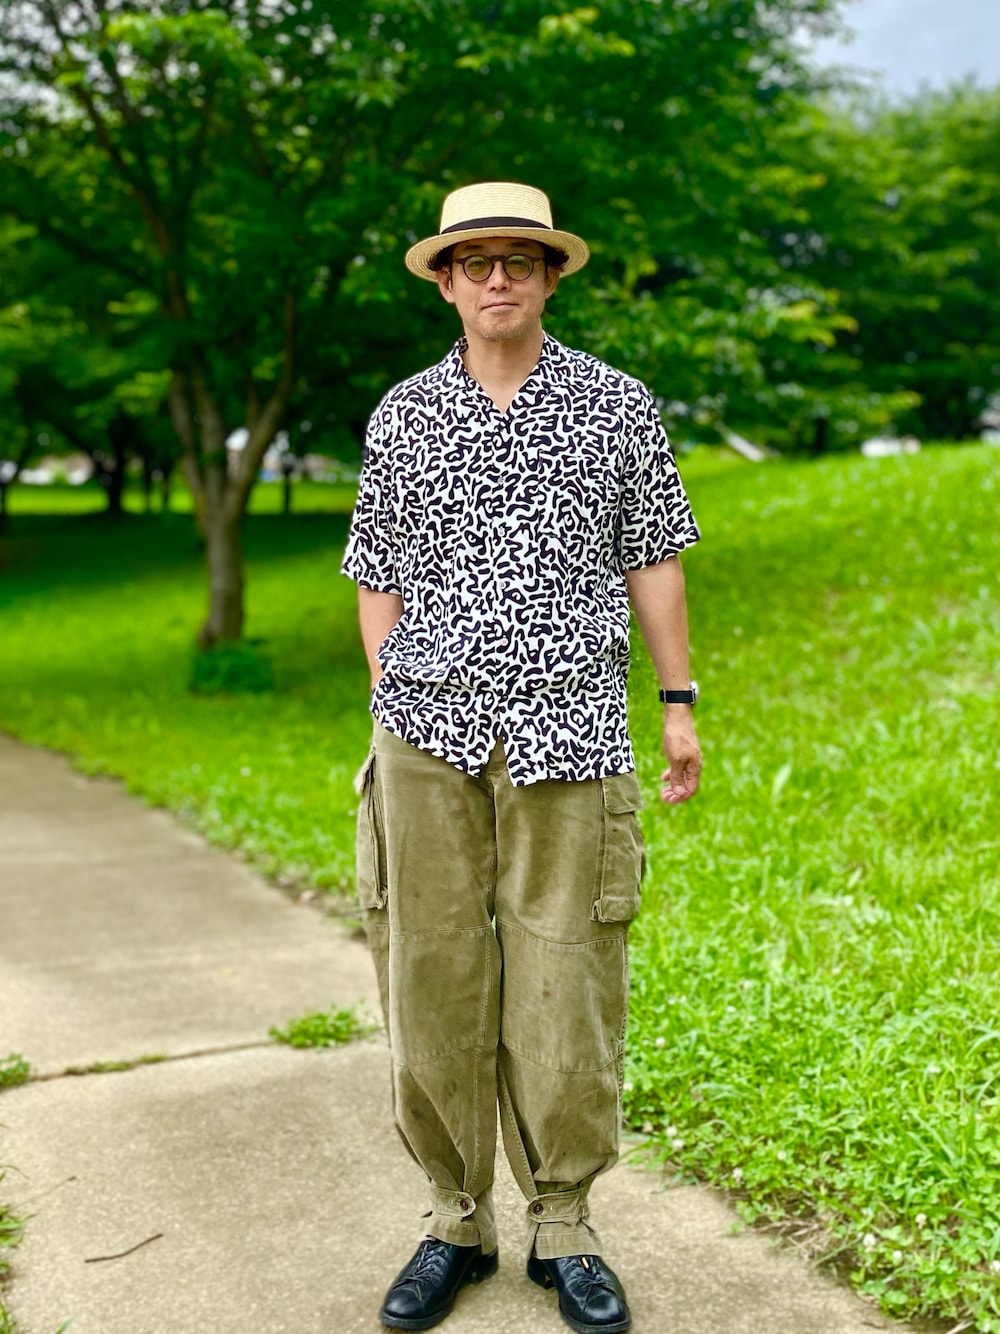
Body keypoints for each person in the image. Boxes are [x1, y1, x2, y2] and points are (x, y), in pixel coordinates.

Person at [342, 181, 702, 1334]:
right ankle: (455, 1216)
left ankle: (564, 1221)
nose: (496, 278)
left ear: (550, 277)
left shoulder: (616, 405)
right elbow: (376, 570)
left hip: (571, 727)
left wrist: (678, 704)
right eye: (474, 261)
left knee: (566, 974)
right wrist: (390, 693)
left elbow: (653, 555)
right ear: (445, 283)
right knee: (431, 967)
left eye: (518, 260)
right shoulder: (402, 414)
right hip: (426, 732)